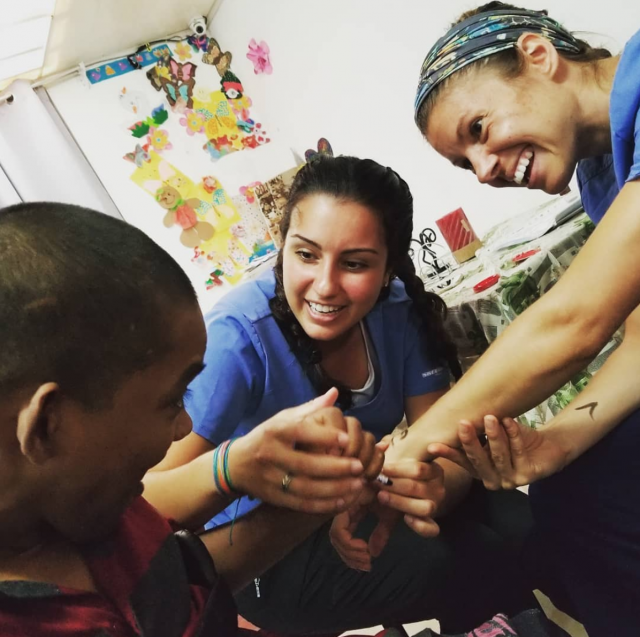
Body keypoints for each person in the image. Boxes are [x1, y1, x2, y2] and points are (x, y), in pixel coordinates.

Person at [0, 200, 430, 636]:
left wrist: (310, 482)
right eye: (172, 400)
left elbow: (185, 593)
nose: (185, 426)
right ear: (48, 427)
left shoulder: (91, 508)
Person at [153, 154, 541, 635]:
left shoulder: (397, 310)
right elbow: (145, 504)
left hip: (359, 496)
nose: (325, 285)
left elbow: (446, 441)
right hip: (262, 552)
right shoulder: (238, 340)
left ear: (388, 269)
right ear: (282, 247)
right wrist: (234, 466)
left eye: (354, 263)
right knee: (461, 563)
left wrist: (428, 488)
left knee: (525, 524)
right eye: (306, 254)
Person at [375, 4, 640, 634]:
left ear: (539, 56)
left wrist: (409, 447)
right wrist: (557, 444)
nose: (485, 169)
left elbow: (572, 322)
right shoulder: (605, 172)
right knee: (569, 505)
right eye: (466, 162)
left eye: (478, 127)